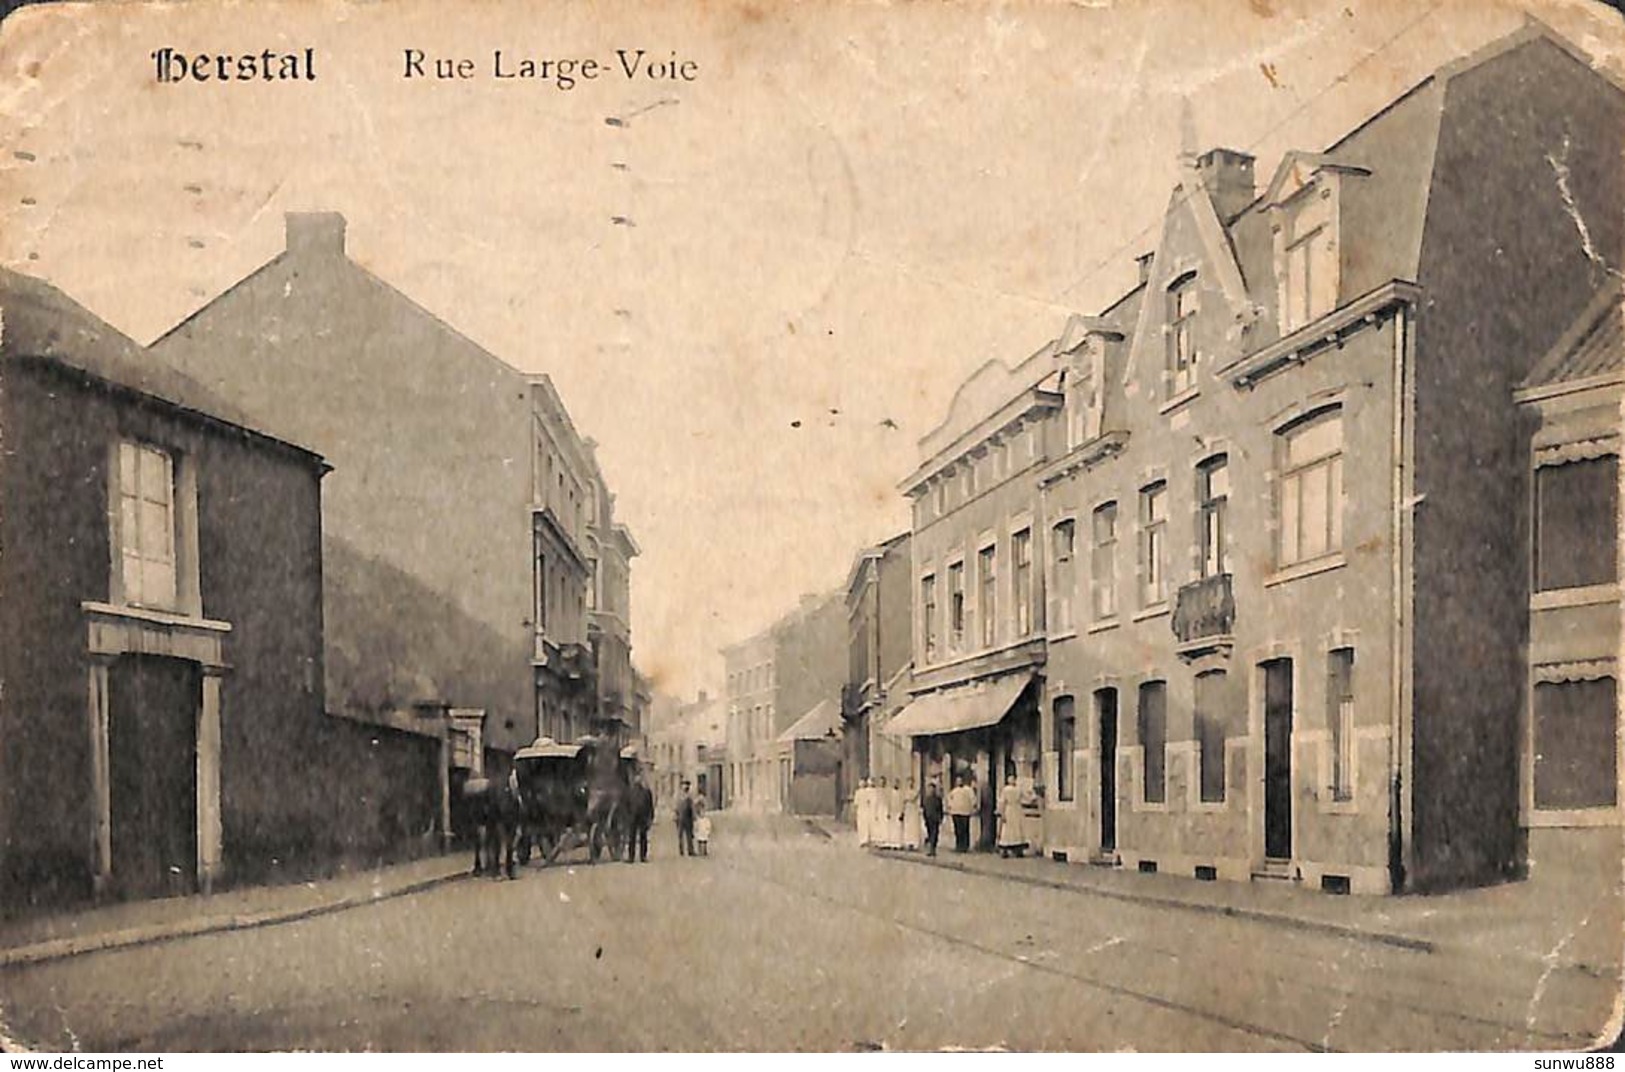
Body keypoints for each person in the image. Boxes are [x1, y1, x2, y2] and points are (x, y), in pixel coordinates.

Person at [627, 773, 654, 864]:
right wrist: (628, 815)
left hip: (643, 817)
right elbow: (626, 805)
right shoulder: (630, 792)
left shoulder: (646, 792)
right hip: (632, 817)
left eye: (639, 778)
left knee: (643, 837)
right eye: (636, 778)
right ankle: (631, 857)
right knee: (632, 838)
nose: (637, 780)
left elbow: (650, 806)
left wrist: (650, 818)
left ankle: (643, 856)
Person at [998, 774, 1027, 858]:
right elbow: (1025, 797)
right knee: (1016, 829)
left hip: (1010, 809)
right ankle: (1017, 848)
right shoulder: (1017, 789)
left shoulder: (1006, 790)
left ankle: (1006, 848)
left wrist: (1002, 812)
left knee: (1009, 829)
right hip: (1016, 809)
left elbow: (1002, 801)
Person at [947, 777, 976, 853]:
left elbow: (973, 799)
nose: (959, 782)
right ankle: (958, 845)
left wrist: (973, 807)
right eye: (957, 781)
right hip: (955, 812)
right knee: (957, 830)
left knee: (965, 829)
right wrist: (950, 808)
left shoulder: (968, 790)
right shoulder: (954, 791)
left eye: (960, 781)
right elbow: (950, 800)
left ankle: (965, 846)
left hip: (965, 812)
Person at [921, 778, 944, 857]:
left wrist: (941, 818)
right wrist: (924, 818)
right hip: (928, 819)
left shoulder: (937, 799)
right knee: (930, 833)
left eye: (932, 789)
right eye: (930, 789)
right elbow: (924, 809)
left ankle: (932, 849)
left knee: (935, 834)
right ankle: (930, 848)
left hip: (935, 818)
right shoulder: (926, 799)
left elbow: (941, 809)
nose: (931, 790)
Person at [675, 779, 696, 857]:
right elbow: (676, 807)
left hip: (688, 817)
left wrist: (694, 816)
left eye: (687, 785)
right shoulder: (678, 796)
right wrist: (675, 815)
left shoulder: (689, 796)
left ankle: (690, 850)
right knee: (680, 835)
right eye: (684, 785)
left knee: (689, 835)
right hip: (680, 818)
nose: (685, 786)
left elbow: (692, 807)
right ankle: (681, 851)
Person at [855, 778, 873, 847]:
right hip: (860, 810)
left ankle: (866, 839)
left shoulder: (867, 792)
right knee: (860, 825)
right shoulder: (858, 792)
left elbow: (869, 801)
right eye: (861, 783)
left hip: (866, 810)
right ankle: (861, 840)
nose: (862, 784)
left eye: (863, 783)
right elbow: (856, 803)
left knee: (866, 825)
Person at [693, 792, 712, 856]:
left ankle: (704, 851)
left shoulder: (706, 820)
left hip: (704, 831)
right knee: (700, 841)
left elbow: (708, 825)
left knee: (704, 841)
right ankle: (700, 851)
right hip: (700, 831)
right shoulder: (699, 820)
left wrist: (708, 830)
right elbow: (696, 826)